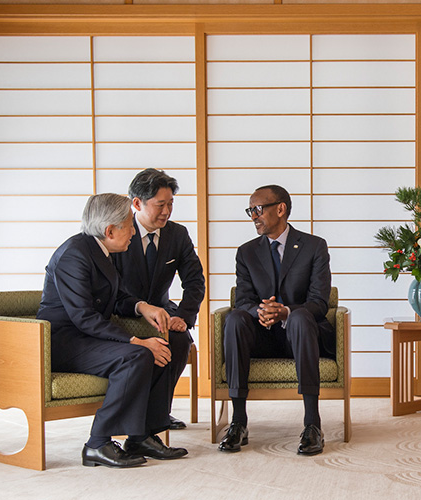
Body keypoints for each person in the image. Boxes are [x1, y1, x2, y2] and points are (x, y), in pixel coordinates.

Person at [37, 193, 189, 468]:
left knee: (165, 346)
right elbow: (83, 317)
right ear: (109, 230)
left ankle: (142, 435)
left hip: (88, 337)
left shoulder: (100, 251)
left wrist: (144, 307)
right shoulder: (74, 255)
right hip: (64, 341)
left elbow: (118, 297)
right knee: (137, 355)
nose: (133, 231)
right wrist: (136, 341)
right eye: (130, 225)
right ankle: (97, 443)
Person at [219, 184, 334, 456]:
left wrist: (285, 312)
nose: (253, 217)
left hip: (302, 336)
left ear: (280, 209)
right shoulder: (246, 252)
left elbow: (319, 302)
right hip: (261, 336)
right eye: (250, 211)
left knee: (300, 317)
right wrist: (260, 312)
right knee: (235, 319)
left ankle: (312, 425)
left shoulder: (314, 247)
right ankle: (238, 422)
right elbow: (243, 299)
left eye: (258, 209)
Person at [113, 168, 205, 430]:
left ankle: (158, 414)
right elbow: (111, 287)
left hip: (163, 312)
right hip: (123, 312)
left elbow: (195, 281)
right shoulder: (119, 232)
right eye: (160, 205)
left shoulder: (177, 235)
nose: (167, 211)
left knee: (178, 338)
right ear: (137, 203)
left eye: (171, 204)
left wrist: (184, 317)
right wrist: (140, 308)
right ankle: (138, 415)